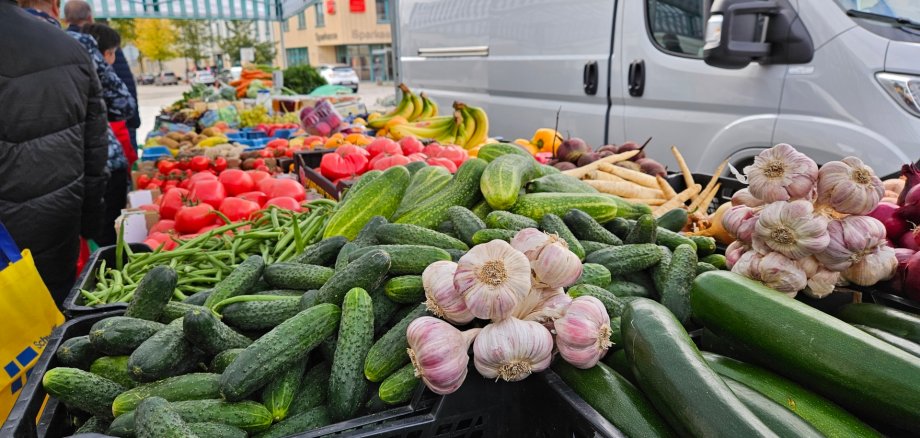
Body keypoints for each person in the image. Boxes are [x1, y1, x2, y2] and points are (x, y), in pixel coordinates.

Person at [0, 0, 109, 304]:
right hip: (58, 230)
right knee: (51, 333)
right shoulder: (67, 46)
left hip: (9, 241)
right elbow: (95, 149)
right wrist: (89, 224)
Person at [82, 23, 136, 246]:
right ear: (107, 53)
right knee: (110, 233)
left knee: (95, 233)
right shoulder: (94, 67)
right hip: (104, 163)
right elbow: (124, 106)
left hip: (75, 168)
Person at [64, 1, 141, 153]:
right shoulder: (105, 39)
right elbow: (124, 83)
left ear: (66, 19)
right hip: (112, 126)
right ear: (90, 16)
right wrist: (133, 119)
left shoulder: (61, 44)